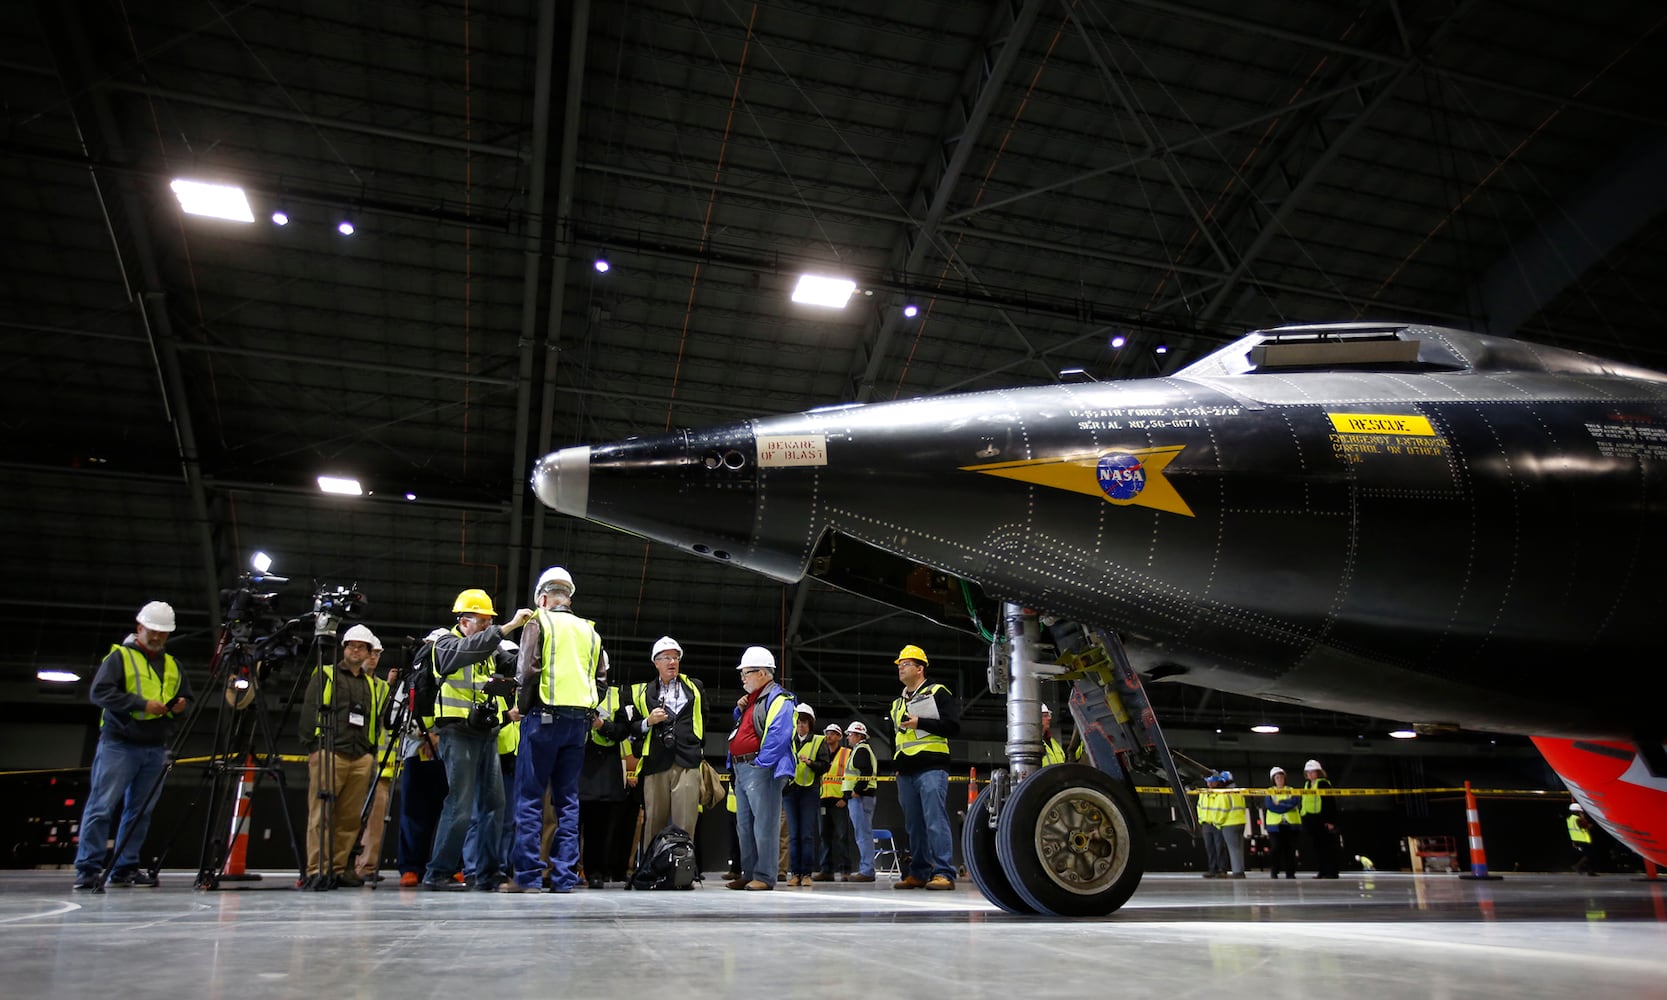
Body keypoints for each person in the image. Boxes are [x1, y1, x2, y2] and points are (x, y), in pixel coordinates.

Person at [73, 601, 193, 890]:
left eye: (162, 633)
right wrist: (141, 704)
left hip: (154, 747)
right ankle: (88, 869)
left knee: (140, 811)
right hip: (119, 744)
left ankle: (125, 867)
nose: (157, 637)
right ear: (140, 628)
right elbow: (100, 693)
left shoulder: (173, 665)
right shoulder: (120, 658)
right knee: (102, 807)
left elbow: (186, 697)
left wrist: (180, 706)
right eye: (152, 631)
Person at [420, 589, 532, 891]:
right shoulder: (444, 644)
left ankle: (488, 873)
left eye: (488, 622)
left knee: (495, 805)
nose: (486, 626)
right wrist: (507, 627)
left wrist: (536, 645)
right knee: (460, 805)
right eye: (482, 621)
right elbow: (473, 649)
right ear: (463, 619)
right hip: (457, 734)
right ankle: (438, 872)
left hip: (485, 734)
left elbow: (512, 663)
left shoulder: (489, 649)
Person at [505, 567, 602, 894]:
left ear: (543, 598)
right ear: (569, 597)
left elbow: (527, 670)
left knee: (531, 798)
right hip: (579, 724)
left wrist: (524, 705)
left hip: (543, 720)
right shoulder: (591, 632)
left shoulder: (538, 622)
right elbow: (600, 680)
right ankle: (564, 878)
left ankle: (529, 877)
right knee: (568, 801)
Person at [298, 623, 383, 889]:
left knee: (349, 818)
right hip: (330, 752)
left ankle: (337, 868)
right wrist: (314, 747)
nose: (356, 650)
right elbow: (309, 710)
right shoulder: (326, 674)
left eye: (362, 647)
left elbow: (374, 720)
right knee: (321, 814)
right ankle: (316, 869)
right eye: (352, 646)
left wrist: (370, 753)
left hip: (360, 756)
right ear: (344, 648)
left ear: (369, 652)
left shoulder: (370, 683)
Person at [888, 643, 960, 890]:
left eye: (905, 664)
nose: (900, 668)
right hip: (905, 771)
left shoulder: (937, 692)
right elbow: (895, 738)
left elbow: (953, 726)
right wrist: (897, 765)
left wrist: (921, 722)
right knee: (914, 825)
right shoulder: (898, 703)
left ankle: (944, 872)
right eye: (899, 665)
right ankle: (919, 871)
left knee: (934, 820)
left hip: (931, 766)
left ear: (920, 669)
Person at [726, 646, 795, 890]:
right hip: (743, 768)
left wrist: (761, 763)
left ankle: (765, 876)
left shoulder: (779, 699)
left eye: (747, 672)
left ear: (763, 673)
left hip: (759, 767)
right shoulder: (752, 701)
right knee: (744, 824)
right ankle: (749, 872)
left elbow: (779, 733)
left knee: (764, 824)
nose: (743, 677)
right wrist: (740, 709)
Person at [631, 636, 706, 853]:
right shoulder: (643, 693)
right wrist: (648, 722)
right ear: (656, 662)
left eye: (675, 657)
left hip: (687, 762)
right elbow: (632, 727)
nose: (672, 662)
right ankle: (650, 871)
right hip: (656, 762)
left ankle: (683, 871)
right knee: (654, 822)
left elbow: (704, 719)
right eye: (666, 658)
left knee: (686, 822)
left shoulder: (695, 687)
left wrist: (696, 749)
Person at [396, 629, 450, 887]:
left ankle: (444, 866)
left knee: (447, 813)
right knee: (413, 812)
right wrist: (423, 736)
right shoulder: (410, 678)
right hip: (415, 751)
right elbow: (397, 714)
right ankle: (410, 867)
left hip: (446, 753)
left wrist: (439, 736)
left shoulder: (451, 677)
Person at [578, 678, 636, 888]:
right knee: (567, 823)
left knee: (597, 825)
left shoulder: (616, 695)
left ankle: (595, 872)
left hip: (603, 767)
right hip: (574, 761)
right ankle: (564, 871)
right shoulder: (573, 685)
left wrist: (602, 725)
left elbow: (624, 730)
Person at [354, 646, 399, 882]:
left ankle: (367, 867)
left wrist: (393, 687)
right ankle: (337, 865)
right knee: (344, 816)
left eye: (378, 653)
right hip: (352, 758)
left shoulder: (383, 687)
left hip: (381, 765)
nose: (373, 657)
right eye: (369, 651)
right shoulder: (344, 682)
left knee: (375, 821)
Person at [784, 703, 826, 886]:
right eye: (799, 722)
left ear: (810, 724)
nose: (801, 725)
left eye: (804, 722)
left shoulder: (818, 741)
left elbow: (825, 765)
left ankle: (806, 874)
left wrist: (811, 763)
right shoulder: (788, 740)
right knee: (793, 834)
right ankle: (795, 874)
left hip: (809, 790)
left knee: (806, 835)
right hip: (790, 791)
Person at [812, 721, 851, 881]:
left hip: (838, 800)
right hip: (823, 800)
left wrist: (845, 797)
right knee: (824, 836)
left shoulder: (846, 753)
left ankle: (845, 871)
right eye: (827, 733)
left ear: (839, 737)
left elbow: (851, 776)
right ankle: (826, 870)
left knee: (842, 836)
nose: (829, 736)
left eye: (833, 733)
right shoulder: (820, 753)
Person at [842, 721, 879, 882]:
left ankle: (867, 870)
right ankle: (867, 868)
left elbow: (865, 771)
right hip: (864, 797)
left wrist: (857, 790)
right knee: (864, 833)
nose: (848, 737)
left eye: (850, 734)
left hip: (860, 798)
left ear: (858, 736)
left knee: (863, 834)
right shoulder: (863, 750)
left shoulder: (861, 750)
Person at [1300, 758, 1341, 878]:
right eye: (1308, 772)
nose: (1310, 774)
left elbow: (1330, 803)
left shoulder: (1323, 784)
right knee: (1318, 848)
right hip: (1311, 820)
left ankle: (1332, 872)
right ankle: (1322, 871)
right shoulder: (1307, 785)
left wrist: (1330, 821)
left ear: (1318, 772)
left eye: (1313, 771)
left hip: (1323, 819)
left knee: (1328, 847)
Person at [1263, 766, 1300, 879]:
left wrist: (1279, 803)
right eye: (1277, 777)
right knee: (1275, 849)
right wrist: (1284, 805)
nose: (1279, 779)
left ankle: (1290, 873)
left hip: (1290, 825)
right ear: (1273, 779)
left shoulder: (1292, 790)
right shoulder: (1270, 791)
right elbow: (1270, 806)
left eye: (1281, 777)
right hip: (1275, 826)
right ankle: (1274, 871)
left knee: (1290, 850)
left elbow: (1293, 802)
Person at [1216, 770, 1247, 878]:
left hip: (1229, 823)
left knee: (1233, 849)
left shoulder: (1224, 792)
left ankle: (1237, 872)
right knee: (1239, 848)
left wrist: (1217, 822)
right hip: (1241, 822)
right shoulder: (1238, 791)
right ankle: (1240, 869)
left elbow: (1223, 810)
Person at [1197, 773, 1226, 878]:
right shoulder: (1203, 793)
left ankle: (1222, 869)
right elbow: (1199, 807)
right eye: (1208, 781)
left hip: (1217, 824)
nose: (1209, 783)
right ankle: (1212, 869)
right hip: (1206, 824)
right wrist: (1201, 821)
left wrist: (1219, 821)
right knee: (1209, 848)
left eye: (1212, 781)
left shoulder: (1220, 793)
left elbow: (1223, 808)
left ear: (1217, 781)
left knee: (1219, 848)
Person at [1568, 803, 1599, 876]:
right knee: (1590, 855)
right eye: (1579, 811)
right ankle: (1577, 866)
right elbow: (1586, 826)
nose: (1580, 812)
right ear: (1576, 811)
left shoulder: (1569, 819)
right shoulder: (1578, 819)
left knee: (1588, 855)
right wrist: (1585, 819)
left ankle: (1590, 871)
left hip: (1576, 839)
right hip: (1583, 839)